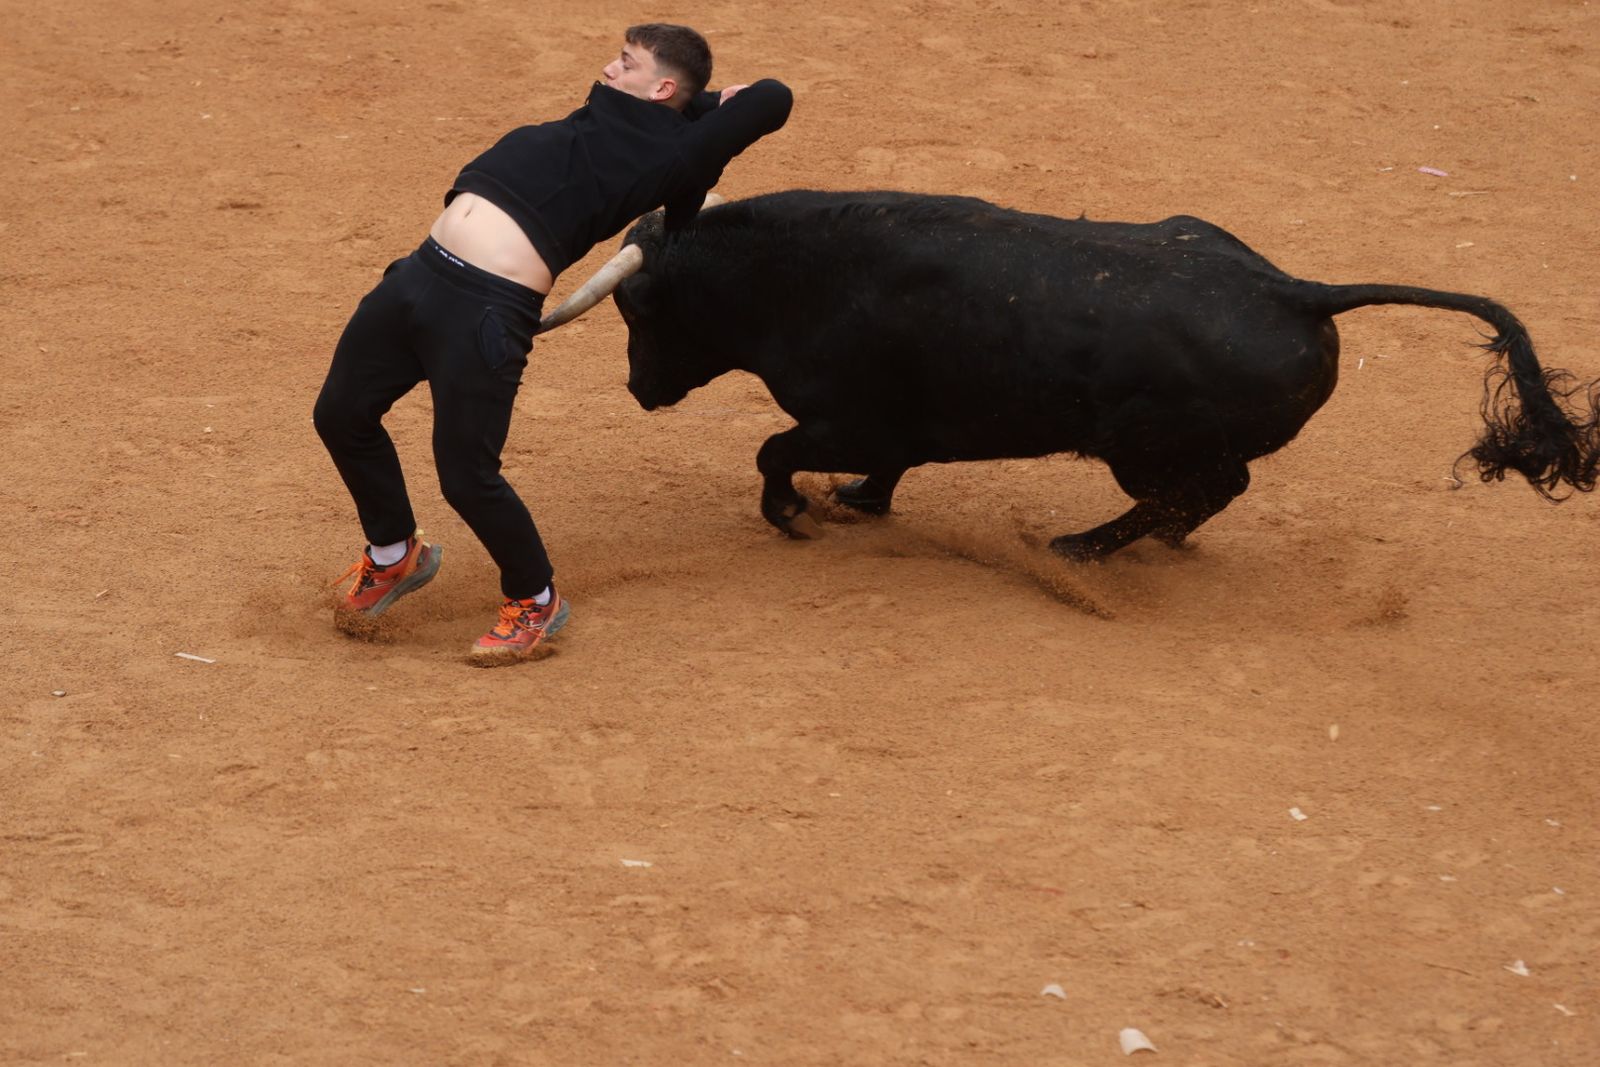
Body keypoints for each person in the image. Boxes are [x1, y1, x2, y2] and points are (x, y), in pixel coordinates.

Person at [313, 24, 792, 665]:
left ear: (663, 88)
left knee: (467, 475)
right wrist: (697, 104)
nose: (609, 67)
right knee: (341, 414)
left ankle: (535, 600)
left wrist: (709, 109)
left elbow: (774, 96)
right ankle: (395, 554)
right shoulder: (605, 114)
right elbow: (681, 100)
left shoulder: (674, 156)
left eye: (627, 62)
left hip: (485, 310)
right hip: (419, 274)